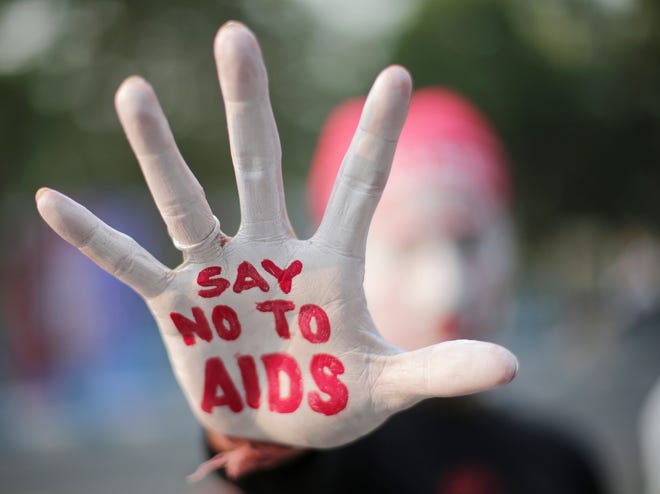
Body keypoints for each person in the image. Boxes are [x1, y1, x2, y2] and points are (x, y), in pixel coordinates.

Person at [34, 21, 599, 493]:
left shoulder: (565, 462)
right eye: (406, 245)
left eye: (468, 240)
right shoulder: (341, 457)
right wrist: (265, 443)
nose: (448, 286)